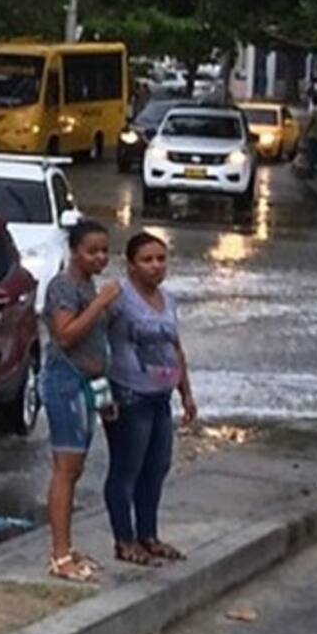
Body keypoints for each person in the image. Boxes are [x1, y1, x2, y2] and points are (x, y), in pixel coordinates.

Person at [103, 232, 196, 566]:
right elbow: (95, 342)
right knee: (127, 468)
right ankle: (124, 540)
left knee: (156, 467)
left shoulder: (168, 300)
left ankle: (148, 535)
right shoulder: (118, 298)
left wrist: (186, 393)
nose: (156, 266)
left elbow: (175, 347)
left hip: (161, 396)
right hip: (129, 395)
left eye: (161, 259)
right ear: (130, 265)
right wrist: (102, 393)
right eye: (147, 260)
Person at [42, 219, 121, 582]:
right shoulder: (64, 286)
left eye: (104, 251)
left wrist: (104, 392)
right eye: (92, 251)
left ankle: (67, 545)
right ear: (74, 251)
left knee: (76, 469)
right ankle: (59, 555)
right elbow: (66, 335)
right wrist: (101, 303)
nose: (100, 258)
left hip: (89, 384)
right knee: (65, 469)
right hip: (65, 383)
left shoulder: (88, 285)